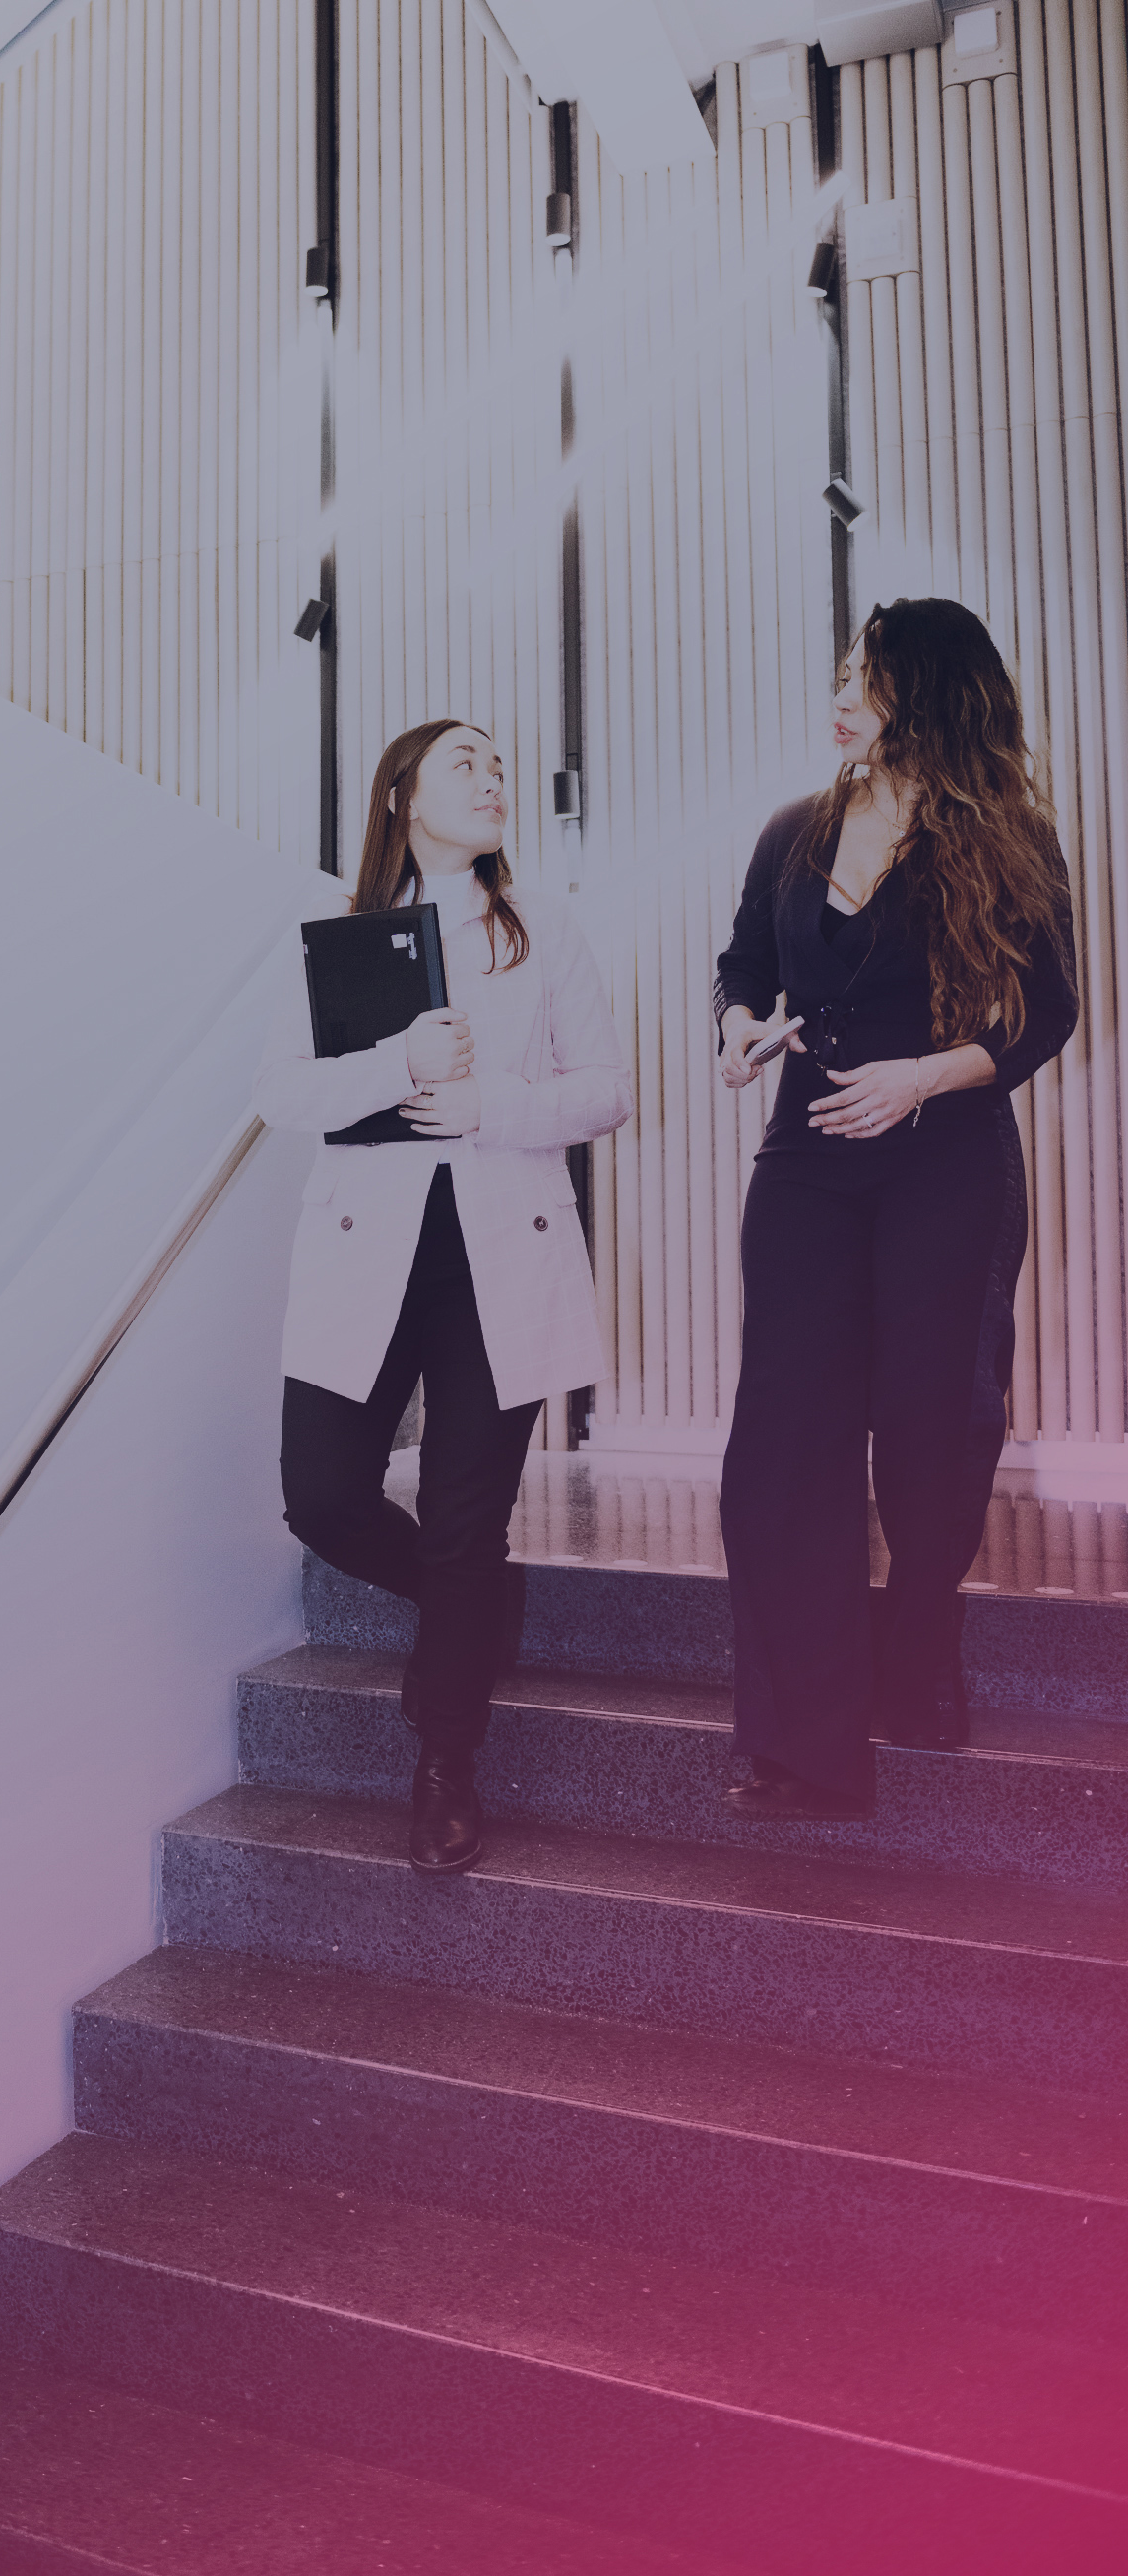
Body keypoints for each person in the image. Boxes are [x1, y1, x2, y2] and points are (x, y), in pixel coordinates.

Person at [714, 599, 1077, 1820]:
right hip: (806, 1164)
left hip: (945, 1161)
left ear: (921, 695)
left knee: (932, 1432)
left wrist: (921, 1073)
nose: (837, 692)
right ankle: (798, 1739)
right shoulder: (790, 831)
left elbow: (1044, 1015)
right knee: (779, 1446)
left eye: (860, 676)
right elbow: (741, 968)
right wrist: (738, 1032)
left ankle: (915, 1645)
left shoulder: (1008, 838)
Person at [254, 718, 632, 1875]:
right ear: (399, 796)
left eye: (501, 766)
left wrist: (489, 1109)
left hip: (495, 1247)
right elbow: (280, 1092)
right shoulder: (337, 938)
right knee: (320, 1494)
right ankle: (468, 1602)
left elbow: (605, 1090)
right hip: (366, 1245)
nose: (493, 778)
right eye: (466, 762)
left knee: (468, 1518)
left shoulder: (541, 929)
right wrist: (401, 1067)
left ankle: (444, 1763)